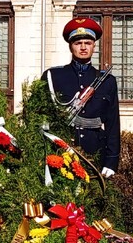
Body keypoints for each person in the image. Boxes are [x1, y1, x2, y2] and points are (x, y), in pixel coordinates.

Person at [40, 18, 120, 177]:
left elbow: (113, 124)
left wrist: (111, 161)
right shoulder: (53, 76)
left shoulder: (107, 81)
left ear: (94, 46)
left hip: (95, 155)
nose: (83, 47)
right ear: (70, 46)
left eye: (88, 43)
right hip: (60, 152)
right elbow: (39, 115)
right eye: (78, 43)